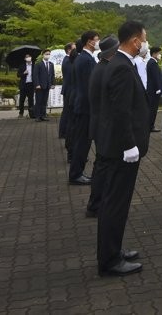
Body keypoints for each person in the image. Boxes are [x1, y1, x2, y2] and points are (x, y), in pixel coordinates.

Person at [95, 20, 150, 277]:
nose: (145, 43)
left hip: (117, 147)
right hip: (120, 149)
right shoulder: (121, 68)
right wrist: (129, 144)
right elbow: (120, 111)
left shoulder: (118, 63)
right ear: (135, 41)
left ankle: (114, 250)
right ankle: (109, 259)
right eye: (144, 38)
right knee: (115, 203)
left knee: (117, 202)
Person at [86, 36, 120, 219]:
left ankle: (96, 203)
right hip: (104, 126)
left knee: (102, 165)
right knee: (103, 166)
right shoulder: (105, 70)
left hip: (100, 124)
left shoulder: (101, 67)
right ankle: (96, 204)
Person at [69, 31, 100, 185]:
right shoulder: (86, 60)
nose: (98, 42)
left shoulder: (83, 58)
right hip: (85, 107)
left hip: (82, 105)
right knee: (82, 142)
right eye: (96, 39)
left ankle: (77, 172)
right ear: (89, 42)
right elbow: (90, 86)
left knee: (83, 141)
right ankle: (76, 174)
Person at [59, 42, 76, 142]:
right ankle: (63, 132)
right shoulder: (68, 61)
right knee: (67, 111)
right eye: (74, 48)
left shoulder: (67, 60)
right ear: (69, 50)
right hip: (69, 89)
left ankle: (64, 131)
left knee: (66, 111)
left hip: (68, 88)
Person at [146, 45, 162, 133]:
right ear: (154, 53)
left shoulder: (152, 62)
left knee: (153, 109)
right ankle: (150, 126)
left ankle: (151, 125)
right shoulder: (152, 63)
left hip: (153, 89)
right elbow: (155, 77)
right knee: (152, 109)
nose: (160, 55)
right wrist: (158, 88)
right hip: (153, 90)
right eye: (159, 53)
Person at [34, 50, 54, 121]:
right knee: (39, 101)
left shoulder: (51, 64)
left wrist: (52, 84)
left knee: (44, 101)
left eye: (49, 54)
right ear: (43, 55)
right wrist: (37, 84)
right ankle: (37, 116)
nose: (48, 55)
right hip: (40, 86)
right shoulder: (38, 64)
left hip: (47, 86)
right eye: (46, 54)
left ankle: (43, 115)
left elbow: (52, 75)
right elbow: (35, 75)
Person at [18, 50, 35, 119]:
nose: (28, 58)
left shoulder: (34, 65)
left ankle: (31, 113)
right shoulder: (22, 66)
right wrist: (23, 73)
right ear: (25, 59)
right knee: (22, 100)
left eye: (29, 56)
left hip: (31, 84)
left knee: (31, 100)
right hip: (24, 85)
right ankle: (21, 113)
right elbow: (18, 75)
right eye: (27, 57)